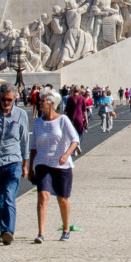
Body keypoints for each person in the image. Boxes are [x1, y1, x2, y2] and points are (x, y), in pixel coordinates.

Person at [28, 89, 81, 242]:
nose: (39, 103)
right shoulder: (38, 122)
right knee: (43, 196)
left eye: (42, 100)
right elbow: (33, 147)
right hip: (42, 163)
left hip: (61, 165)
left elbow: (75, 140)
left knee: (62, 199)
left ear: (52, 102)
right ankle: (41, 233)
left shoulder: (63, 120)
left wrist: (66, 154)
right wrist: (31, 167)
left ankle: (65, 228)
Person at [0, 84, 31, 244]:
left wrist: (25, 164)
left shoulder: (20, 114)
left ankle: (8, 231)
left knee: (9, 197)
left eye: (9, 99)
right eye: (2, 99)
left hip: (13, 161)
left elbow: (25, 140)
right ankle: (3, 230)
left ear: (15, 99)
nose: (5, 102)